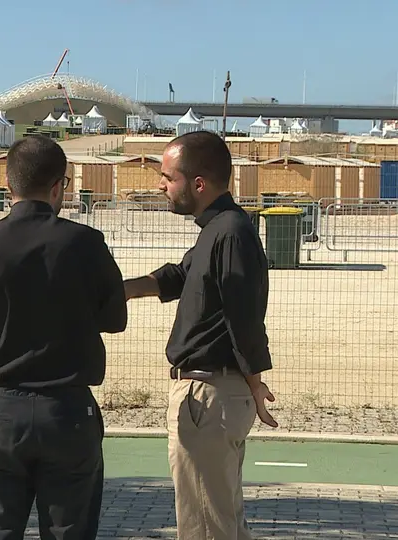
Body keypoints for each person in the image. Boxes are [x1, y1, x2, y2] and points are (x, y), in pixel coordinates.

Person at [0, 135, 127, 540]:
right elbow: (115, 318)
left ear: (8, 184)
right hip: (68, 410)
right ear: (59, 187)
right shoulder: (86, 244)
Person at [123, 130, 278, 540]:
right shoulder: (219, 228)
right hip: (211, 397)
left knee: (206, 527)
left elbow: (242, 316)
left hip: (209, 396)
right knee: (222, 522)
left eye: (167, 177)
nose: (160, 185)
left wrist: (254, 383)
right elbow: (179, 275)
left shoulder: (229, 232)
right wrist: (116, 291)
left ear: (198, 184)